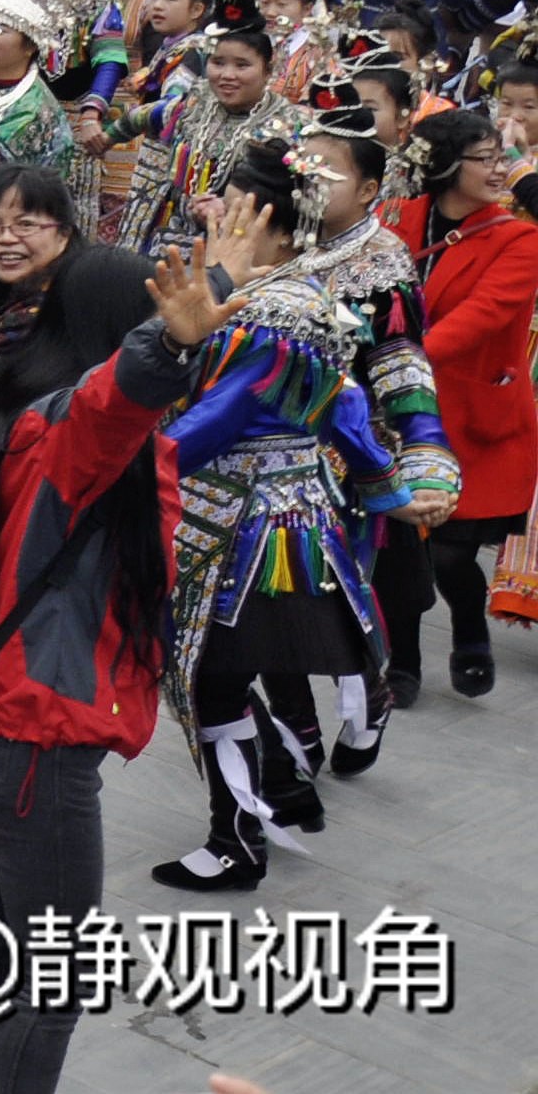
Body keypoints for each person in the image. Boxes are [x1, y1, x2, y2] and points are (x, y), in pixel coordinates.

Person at [0, 221, 222, 1094]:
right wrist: (169, 343)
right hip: (35, 741)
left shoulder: (35, 422)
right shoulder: (72, 435)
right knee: (50, 981)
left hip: (2, 727)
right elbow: (118, 399)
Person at [153, 137, 415, 890]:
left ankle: (235, 841)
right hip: (295, 518)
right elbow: (349, 411)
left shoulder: (262, 311)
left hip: (239, 528)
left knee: (210, 682)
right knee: (228, 679)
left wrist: (135, 462)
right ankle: (277, 795)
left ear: (257, 213)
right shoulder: (312, 299)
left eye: (226, 204)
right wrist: (383, 483)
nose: (213, 217)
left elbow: (218, 421)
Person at [413, 108, 538, 695]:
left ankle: (468, 625)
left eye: (499, 156)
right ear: (442, 165)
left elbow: (481, 316)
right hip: (405, 410)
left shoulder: (519, 238)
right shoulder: (401, 219)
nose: (500, 169)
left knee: (451, 554)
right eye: (484, 158)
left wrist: (399, 359)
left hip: (475, 416)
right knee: (397, 550)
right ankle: (400, 665)